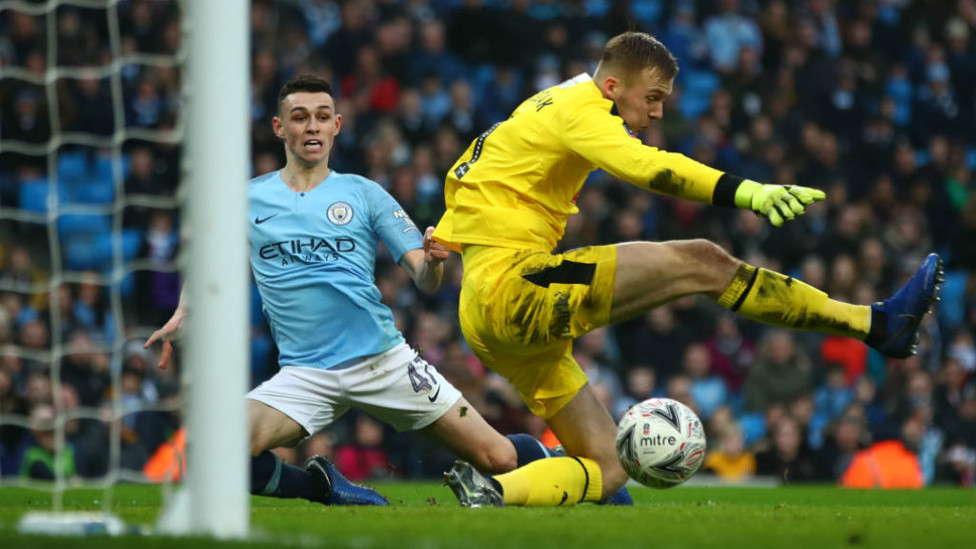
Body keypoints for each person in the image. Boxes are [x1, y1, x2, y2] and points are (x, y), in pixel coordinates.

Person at [435, 31, 944, 507]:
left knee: (609, 469)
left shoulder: (542, 106)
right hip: (514, 285)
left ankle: (495, 490)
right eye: (652, 97)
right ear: (613, 86)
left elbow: (465, 177)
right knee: (703, 260)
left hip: (484, 309)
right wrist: (750, 191)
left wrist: (439, 249)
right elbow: (648, 168)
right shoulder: (580, 110)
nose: (657, 112)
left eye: (664, 100)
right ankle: (875, 325)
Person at [145, 74, 590, 507]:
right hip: (305, 374)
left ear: (337, 126)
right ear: (280, 128)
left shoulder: (364, 193)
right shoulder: (247, 199)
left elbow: (423, 277)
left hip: (384, 362)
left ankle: (584, 477)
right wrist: (185, 312)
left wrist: (434, 262)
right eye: (299, 117)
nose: (312, 126)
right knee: (216, 452)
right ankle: (324, 489)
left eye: (322, 116)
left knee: (500, 458)